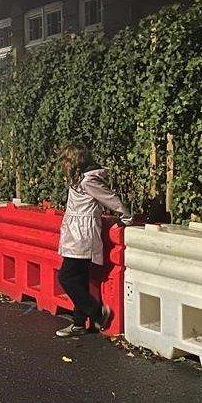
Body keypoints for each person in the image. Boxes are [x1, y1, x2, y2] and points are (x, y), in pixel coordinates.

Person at [54, 144, 133, 338]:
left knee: (66, 276)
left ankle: (97, 312)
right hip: (75, 231)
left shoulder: (88, 180)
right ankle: (79, 323)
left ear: (72, 162)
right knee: (79, 278)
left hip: (82, 233)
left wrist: (126, 216)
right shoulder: (80, 179)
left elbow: (109, 198)